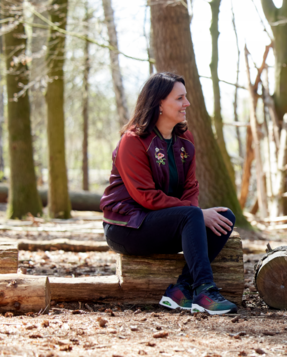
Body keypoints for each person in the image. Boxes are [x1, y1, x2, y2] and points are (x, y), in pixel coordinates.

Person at [100, 72, 238, 315]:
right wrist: (193, 214)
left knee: (225, 217)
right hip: (127, 227)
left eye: (185, 97)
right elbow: (146, 196)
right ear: (159, 103)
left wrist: (194, 213)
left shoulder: (185, 140)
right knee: (193, 215)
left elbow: (190, 188)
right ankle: (205, 290)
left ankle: (181, 290)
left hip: (166, 223)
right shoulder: (132, 141)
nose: (187, 104)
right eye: (180, 98)